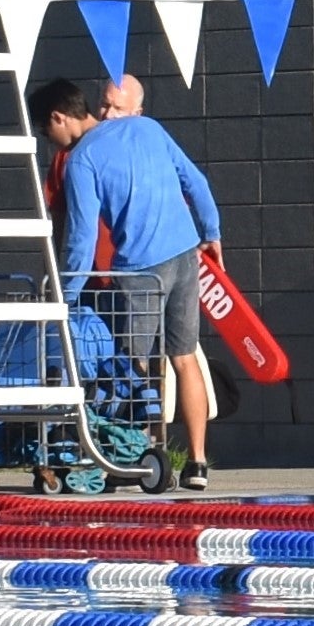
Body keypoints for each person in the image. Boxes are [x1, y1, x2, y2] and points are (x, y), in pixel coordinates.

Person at [44, 70, 223, 487]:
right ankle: (196, 462)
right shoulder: (152, 130)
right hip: (184, 254)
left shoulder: (84, 158)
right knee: (184, 358)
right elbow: (196, 182)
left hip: (142, 266)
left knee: (131, 363)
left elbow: (83, 239)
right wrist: (211, 234)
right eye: (103, 104)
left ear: (136, 109)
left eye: (114, 107)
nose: (106, 114)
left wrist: (65, 295)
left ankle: (131, 452)